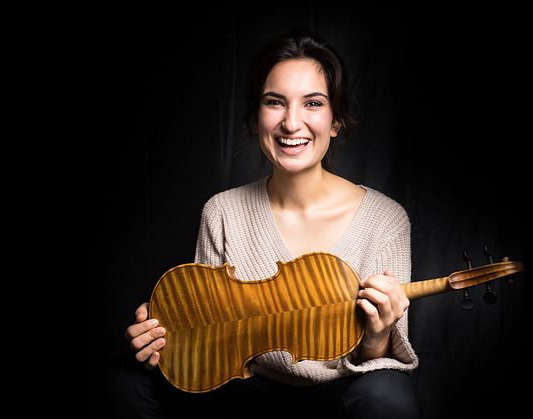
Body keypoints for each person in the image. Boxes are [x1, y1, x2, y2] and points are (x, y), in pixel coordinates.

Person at [120, 29, 422, 419]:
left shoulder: (385, 219)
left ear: (336, 122)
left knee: (387, 395)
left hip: (339, 395)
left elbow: (379, 365)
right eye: (275, 103)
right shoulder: (223, 211)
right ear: (256, 117)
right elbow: (212, 339)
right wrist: (168, 337)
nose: (291, 123)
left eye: (313, 103)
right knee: (126, 381)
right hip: (247, 391)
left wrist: (379, 335)